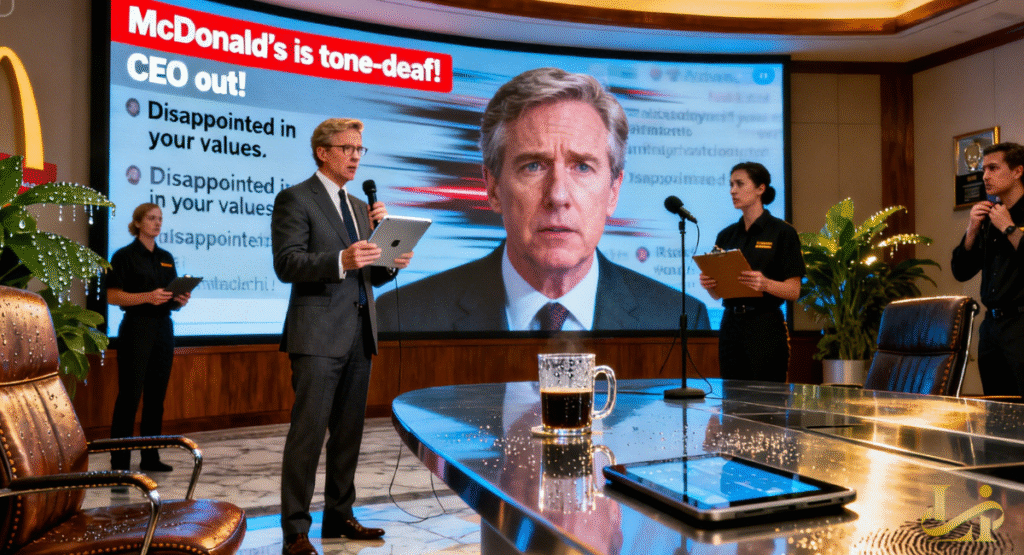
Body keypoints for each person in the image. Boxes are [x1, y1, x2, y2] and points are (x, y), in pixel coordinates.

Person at [377, 67, 709, 333]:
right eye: (533, 166)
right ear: (492, 187)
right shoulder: (402, 317)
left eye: (582, 166)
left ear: (613, 191)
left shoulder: (679, 320)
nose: (558, 195)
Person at [272, 118, 413, 555]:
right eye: (347, 148)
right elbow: (287, 264)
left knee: (349, 434)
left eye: (360, 149)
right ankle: (295, 530)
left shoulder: (358, 206)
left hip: (359, 333)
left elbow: (370, 271)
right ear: (322, 152)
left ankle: (339, 515)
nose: (355, 156)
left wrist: (391, 258)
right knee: (308, 435)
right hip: (316, 336)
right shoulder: (295, 199)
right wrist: (341, 259)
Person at [699, 162, 804, 382]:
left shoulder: (782, 232)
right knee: (732, 399)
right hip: (730, 326)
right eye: (730, 185)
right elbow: (718, 295)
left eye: (739, 184)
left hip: (765, 325)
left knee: (767, 401)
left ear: (760, 188)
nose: (732, 191)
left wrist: (765, 284)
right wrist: (710, 284)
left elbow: (794, 291)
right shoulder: (726, 235)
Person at [107, 203, 191, 472]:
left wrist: (180, 299)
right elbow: (112, 296)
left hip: (163, 329)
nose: (157, 223)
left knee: (156, 397)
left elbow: (170, 300)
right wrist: (147, 297)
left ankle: (150, 458)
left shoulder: (166, 257)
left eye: (160, 219)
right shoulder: (123, 256)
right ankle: (120, 462)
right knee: (129, 397)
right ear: (138, 222)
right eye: (152, 218)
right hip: (136, 328)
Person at [951, 142, 1024, 397]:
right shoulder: (989, 216)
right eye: (984, 169)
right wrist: (971, 230)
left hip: (1021, 323)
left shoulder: (1007, 218)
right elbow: (961, 271)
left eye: (993, 168)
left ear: (1017, 171)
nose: (985, 176)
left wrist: (1009, 229)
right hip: (991, 326)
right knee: (996, 407)